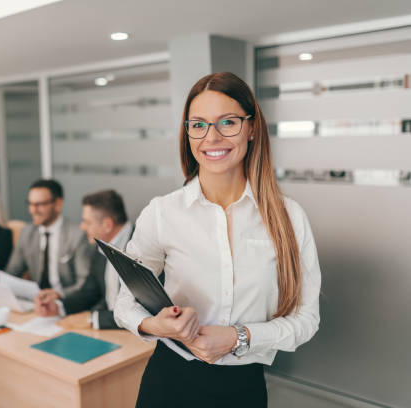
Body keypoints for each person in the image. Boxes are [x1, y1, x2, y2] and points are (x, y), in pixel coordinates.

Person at [113, 72, 321, 407]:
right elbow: (124, 302)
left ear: (252, 128)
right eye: (198, 125)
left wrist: (239, 337)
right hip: (169, 382)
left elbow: (306, 319)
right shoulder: (162, 212)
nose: (212, 137)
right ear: (188, 133)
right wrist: (157, 325)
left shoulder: (289, 217)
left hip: (244, 387)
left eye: (228, 122)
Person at [35, 189, 132, 330]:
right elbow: (90, 292)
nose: (82, 227)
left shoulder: (141, 248)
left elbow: (143, 310)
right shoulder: (101, 245)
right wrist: (58, 306)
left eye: (87, 222)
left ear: (107, 225)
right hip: (110, 331)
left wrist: (93, 319)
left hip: (138, 337)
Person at [5, 179, 93, 297]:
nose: (32, 210)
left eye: (39, 204)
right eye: (30, 204)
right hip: (36, 301)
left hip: (67, 302)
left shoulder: (77, 235)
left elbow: (84, 284)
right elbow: (12, 273)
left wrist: (58, 295)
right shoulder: (27, 232)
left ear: (57, 204)